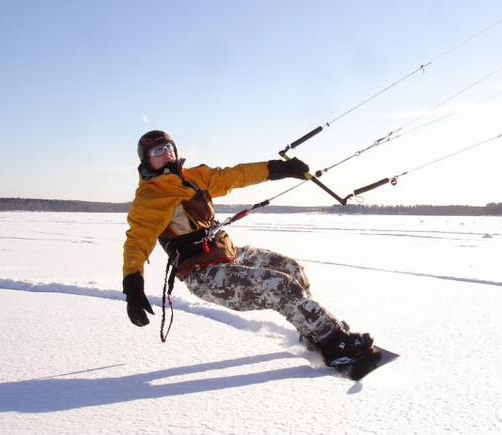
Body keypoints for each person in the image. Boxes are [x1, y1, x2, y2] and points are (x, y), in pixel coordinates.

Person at [122, 130, 374, 368]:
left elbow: (236, 175)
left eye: (167, 147)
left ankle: (312, 332)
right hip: (203, 274)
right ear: (146, 161)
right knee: (281, 287)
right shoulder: (149, 198)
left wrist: (280, 168)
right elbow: (137, 241)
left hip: (227, 253)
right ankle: (334, 343)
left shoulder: (194, 176)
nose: (165, 153)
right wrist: (133, 285)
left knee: (292, 269)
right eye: (157, 151)